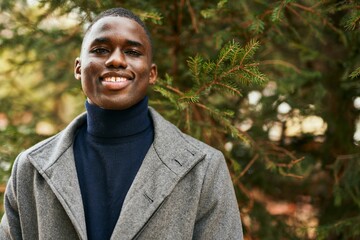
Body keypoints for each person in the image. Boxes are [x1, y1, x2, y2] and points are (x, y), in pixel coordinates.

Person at [0, 7, 243, 240]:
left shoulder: (204, 169)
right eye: (101, 50)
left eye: (133, 52)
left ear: (151, 73)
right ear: (78, 67)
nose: (116, 60)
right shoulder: (31, 169)